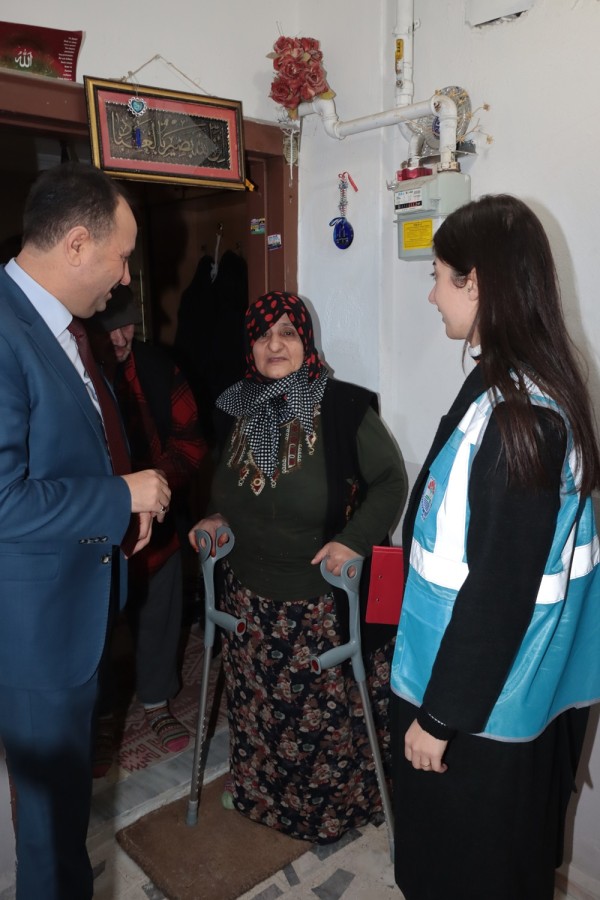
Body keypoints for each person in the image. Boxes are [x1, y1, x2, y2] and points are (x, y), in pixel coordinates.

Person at [390, 194, 600, 900]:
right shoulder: (510, 384)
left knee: (469, 874)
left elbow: (499, 591)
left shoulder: (522, 417)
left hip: (483, 713)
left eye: (438, 275)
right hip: (503, 693)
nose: (432, 294)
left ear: (475, 281)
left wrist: (438, 719)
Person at [0, 162, 172, 900]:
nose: (127, 277)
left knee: (66, 818)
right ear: (76, 244)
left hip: (71, 609)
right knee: (46, 835)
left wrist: (120, 511)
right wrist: (118, 495)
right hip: (33, 632)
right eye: (121, 256)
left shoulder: (58, 324)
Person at [189, 290, 408, 843]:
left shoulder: (342, 407)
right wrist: (215, 516)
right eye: (263, 335)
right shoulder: (233, 406)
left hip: (317, 604)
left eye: (287, 332)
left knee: (320, 722)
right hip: (248, 598)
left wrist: (353, 541)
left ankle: (326, 816)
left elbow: (390, 482)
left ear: (306, 341)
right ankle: (260, 794)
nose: (275, 344)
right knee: (256, 711)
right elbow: (231, 490)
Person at [89, 285, 207, 772]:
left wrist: (156, 486)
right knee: (94, 627)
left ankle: (157, 702)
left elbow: (191, 444)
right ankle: (98, 719)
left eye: (127, 326)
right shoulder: (78, 372)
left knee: (160, 609)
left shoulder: (159, 369)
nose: (120, 338)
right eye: (109, 329)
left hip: (155, 519)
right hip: (96, 526)